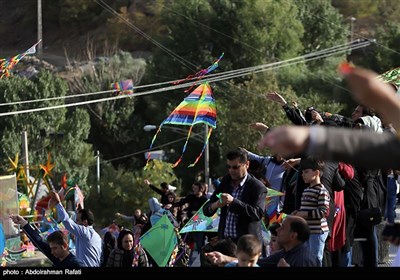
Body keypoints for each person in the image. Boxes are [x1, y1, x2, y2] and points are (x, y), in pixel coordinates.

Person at [203, 147, 267, 244]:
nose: (231, 170)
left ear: (247, 165)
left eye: (235, 167)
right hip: (225, 243)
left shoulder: (257, 187)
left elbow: (257, 214)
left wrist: (233, 202)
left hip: (246, 246)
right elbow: (207, 209)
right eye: (228, 167)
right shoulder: (226, 181)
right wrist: (216, 204)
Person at [205, 215, 318, 267]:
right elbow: (257, 263)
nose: (277, 230)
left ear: (293, 235)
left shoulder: (304, 259)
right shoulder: (287, 252)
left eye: (282, 227)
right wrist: (225, 258)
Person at [292, 157, 330, 266]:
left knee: (316, 258)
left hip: (318, 231)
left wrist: (304, 214)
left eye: (306, 172)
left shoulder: (322, 191)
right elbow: (305, 208)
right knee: (307, 258)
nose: (303, 175)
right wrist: (297, 213)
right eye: (302, 172)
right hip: (308, 231)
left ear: (316, 172)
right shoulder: (307, 190)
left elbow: (323, 212)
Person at [49, 191, 103, 267]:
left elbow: (67, 222)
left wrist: (58, 203)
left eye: (77, 220)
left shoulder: (86, 232)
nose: (75, 222)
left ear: (85, 222)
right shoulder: (93, 235)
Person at [9, 214, 84, 267]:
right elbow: (39, 241)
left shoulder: (76, 264)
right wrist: (23, 223)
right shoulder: (57, 258)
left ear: (64, 246)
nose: (52, 252)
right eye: (51, 249)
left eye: (54, 248)